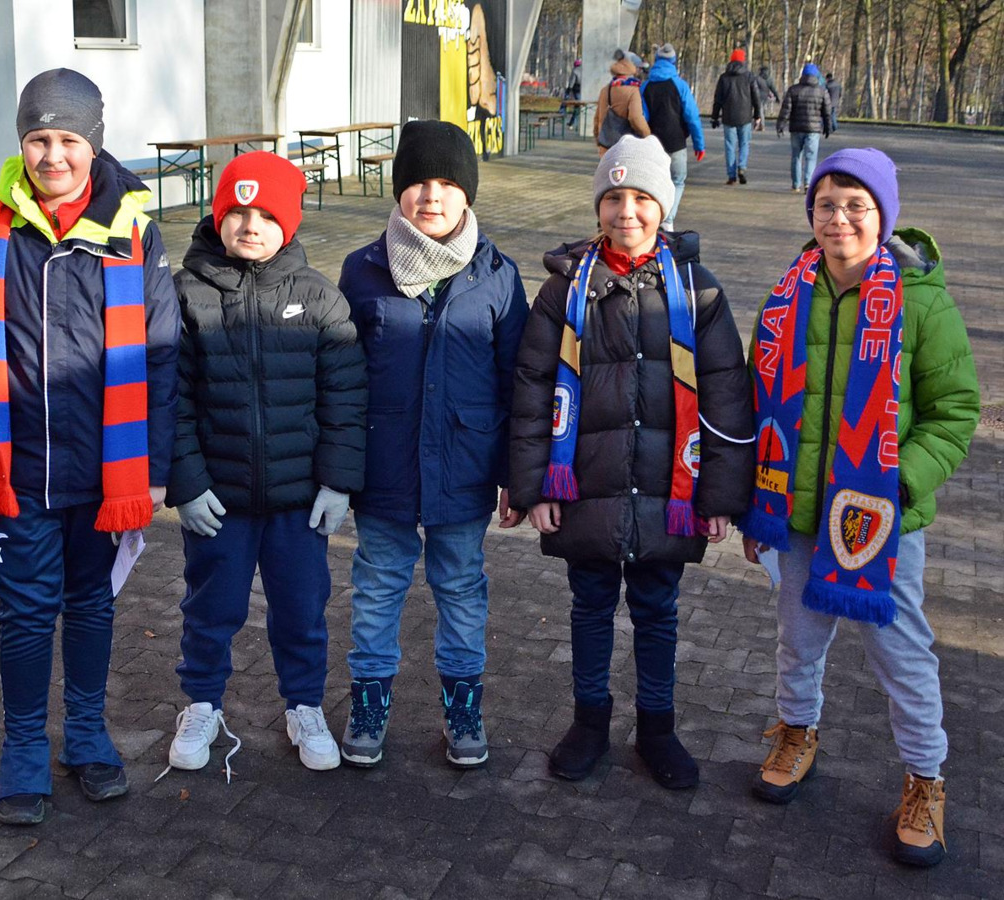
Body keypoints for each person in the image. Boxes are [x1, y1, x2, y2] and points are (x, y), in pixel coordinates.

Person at [0, 69, 180, 825]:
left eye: (68, 139)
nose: (52, 156)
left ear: (94, 143)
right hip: (17, 467)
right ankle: (21, 749)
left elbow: (164, 355)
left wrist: (155, 467)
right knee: (23, 612)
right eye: (37, 139)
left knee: (91, 604)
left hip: (107, 468)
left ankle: (86, 734)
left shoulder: (134, 230)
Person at [740, 148, 978, 867]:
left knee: (901, 653)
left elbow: (954, 411)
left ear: (883, 216)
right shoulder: (787, 295)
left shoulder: (920, 301)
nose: (838, 218)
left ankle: (925, 780)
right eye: (826, 204)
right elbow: (757, 402)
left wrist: (900, 485)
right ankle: (796, 732)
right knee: (797, 640)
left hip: (882, 522)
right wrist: (756, 503)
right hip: (799, 515)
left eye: (856, 206)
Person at [508, 134, 752, 789]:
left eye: (641, 197)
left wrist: (719, 496)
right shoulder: (564, 289)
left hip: (668, 490)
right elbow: (532, 388)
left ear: (663, 205)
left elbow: (727, 393)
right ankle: (589, 722)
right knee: (590, 606)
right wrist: (534, 486)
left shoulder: (697, 290)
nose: (626, 212)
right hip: (584, 483)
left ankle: (657, 729)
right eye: (613, 198)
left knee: (656, 609)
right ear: (598, 206)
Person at [164, 151, 367, 775]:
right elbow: (170, 398)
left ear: (290, 223)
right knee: (211, 608)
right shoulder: (185, 295)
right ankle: (202, 703)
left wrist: (337, 482)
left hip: (297, 501)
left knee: (302, 610)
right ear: (217, 216)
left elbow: (345, 397)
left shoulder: (319, 297)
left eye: (267, 216)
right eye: (238, 212)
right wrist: (186, 484)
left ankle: (304, 705)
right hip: (218, 499)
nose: (251, 226)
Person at [337, 120, 528, 768]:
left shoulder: (497, 275)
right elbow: (341, 376)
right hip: (384, 466)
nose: (432, 195)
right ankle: (368, 704)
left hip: (464, 469)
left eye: (447, 182)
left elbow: (518, 381)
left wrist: (515, 474)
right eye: (419, 181)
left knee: (462, 589)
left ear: (467, 192)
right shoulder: (362, 271)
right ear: (399, 190)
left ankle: (463, 707)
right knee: (376, 588)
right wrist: (338, 467)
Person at [641, 42, 706, 231]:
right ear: (674, 61)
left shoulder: (645, 87)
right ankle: (668, 220)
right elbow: (692, 117)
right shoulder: (680, 85)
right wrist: (699, 144)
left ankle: (655, 219)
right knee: (677, 181)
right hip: (677, 142)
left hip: (653, 143)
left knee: (655, 182)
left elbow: (643, 118)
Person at [777, 63, 832, 193]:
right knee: (811, 156)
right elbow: (827, 111)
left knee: (796, 156)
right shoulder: (822, 91)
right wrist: (827, 126)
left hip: (796, 128)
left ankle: (796, 184)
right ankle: (808, 183)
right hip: (813, 129)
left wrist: (781, 124)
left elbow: (786, 110)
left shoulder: (793, 90)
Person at [711, 48, 764, 185]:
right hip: (745, 116)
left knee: (730, 145)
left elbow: (718, 99)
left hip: (728, 116)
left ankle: (731, 176)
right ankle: (742, 166)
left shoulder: (724, 77)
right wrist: (757, 115)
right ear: (743, 61)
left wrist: (714, 116)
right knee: (744, 143)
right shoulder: (749, 76)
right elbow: (756, 98)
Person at [594, 49, 651, 156]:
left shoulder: (606, 89)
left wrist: (598, 140)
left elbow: (598, 118)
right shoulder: (633, 90)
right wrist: (648, 135)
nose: (639, 71)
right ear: (632, 68)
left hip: (606, 146)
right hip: (625, 148)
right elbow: (635, 118)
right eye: (638, 68)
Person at [562, 58, 583, 129]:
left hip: (576, 89)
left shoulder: (575, 71)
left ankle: (571, 121)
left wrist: (569, 89)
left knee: (577, 106)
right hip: (583, 89)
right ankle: (573, 122)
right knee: (579, 106)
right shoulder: (584, 70)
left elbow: (572, 81)